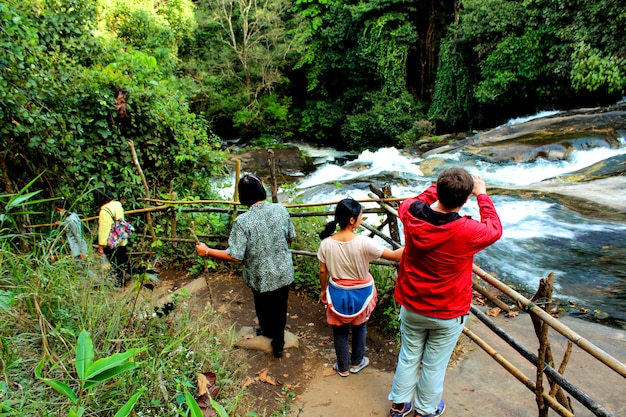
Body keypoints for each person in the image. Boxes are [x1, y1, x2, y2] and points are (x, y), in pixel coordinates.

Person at [388, 168, 503, 417]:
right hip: (447, 311)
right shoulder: (468, 231)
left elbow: (419, 199)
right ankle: (426, 410)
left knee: (409, 354)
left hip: (412, 303)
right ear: (465, 200)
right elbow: (495, 228)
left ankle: (399, 405)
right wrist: (482, 195)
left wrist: (443, 186)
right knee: (434, 364)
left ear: (438, 192)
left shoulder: (410, 212)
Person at [195, 174, 296, 358]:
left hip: (260, 275)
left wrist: (207, 251)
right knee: (280, 307)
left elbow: (234, 255)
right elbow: (290, 236)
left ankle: (265, 330)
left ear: (242, 196)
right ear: (260, 189)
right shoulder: (280, 210)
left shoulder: (242, 222)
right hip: (283, 270)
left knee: (262, 304)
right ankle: (278, 343)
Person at [317, 198, 403, 377]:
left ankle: (343, 366)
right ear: (351, 220)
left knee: (339, 331)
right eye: (360, 215)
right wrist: (419, 242)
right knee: (359, 326)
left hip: (337, 292)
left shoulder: (326, 244)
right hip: (361, 294)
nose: (362, 217)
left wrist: (324, 290)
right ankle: (357, 361)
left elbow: (323, 271)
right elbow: (395, 256)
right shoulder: (364, 242)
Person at [94, 189, 130, 287]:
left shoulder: (104, 211)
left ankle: (119, 283)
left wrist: (101, 245)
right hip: (121, 237)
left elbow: (103, 229)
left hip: (112, 241)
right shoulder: (117, 204)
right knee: (123, 258)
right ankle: (129, 274)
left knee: (115, 263)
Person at [54, 198, 88, 262]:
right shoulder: (69, 218)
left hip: (78, 250)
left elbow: (78, 235)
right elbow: (69, 228)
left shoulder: (72, 219)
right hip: (74, 249)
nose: (58, 212)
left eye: (59, 210)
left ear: (64, 209)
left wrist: (83, 252)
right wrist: (61, 224)